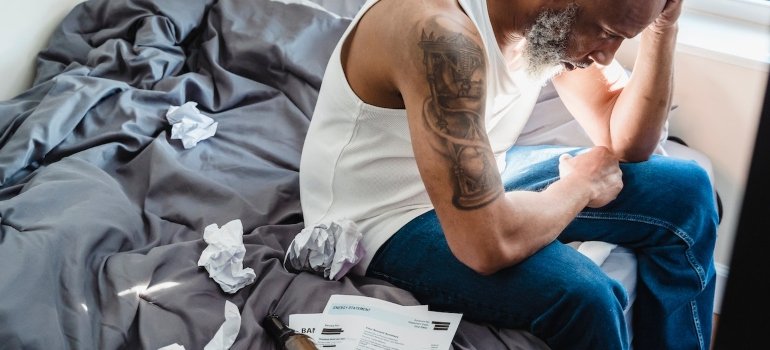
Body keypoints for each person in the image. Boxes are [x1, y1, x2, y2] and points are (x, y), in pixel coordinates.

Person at [299, 0, 718, 349]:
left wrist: (664, 26)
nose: (607, 55)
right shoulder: (437, 35)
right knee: (585, 295)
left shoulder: (544, 24)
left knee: (687, 190)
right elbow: (487, 244)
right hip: (380, 219)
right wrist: (579, 184)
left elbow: (626, 140)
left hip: (482, 179)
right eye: (607, 33)